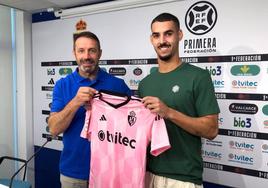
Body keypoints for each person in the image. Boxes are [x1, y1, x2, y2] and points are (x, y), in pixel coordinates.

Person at [138, 13, 220, 188]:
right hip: (146, 173)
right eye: (156, 35)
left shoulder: (198, 77)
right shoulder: (145, 84)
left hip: (183, 178)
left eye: (168, 33)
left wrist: (168, 112)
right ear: (151, 39)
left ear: (180, 35)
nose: (162, 40)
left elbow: (211, 130)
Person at [48, 31, 131, 188]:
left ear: (100, 53)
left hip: (110, 172)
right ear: (74, 53)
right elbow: (53, 129)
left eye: (92, 50)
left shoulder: (117, 85)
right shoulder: (62, 85)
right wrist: (75, 102)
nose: (86, 56)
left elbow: (131, 127)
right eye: (81, 50)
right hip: (73, 173)